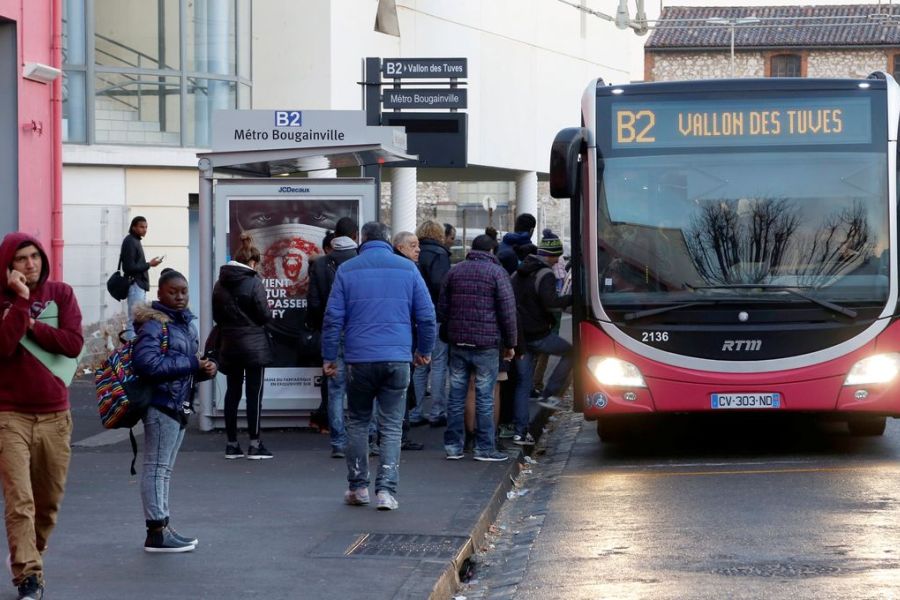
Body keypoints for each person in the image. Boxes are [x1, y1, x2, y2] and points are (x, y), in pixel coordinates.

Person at [321, 222, 435, 511]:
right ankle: (386, 490)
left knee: (358, 421)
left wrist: (329, 356)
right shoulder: (408, 269)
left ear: (363, 240)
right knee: (392, 425)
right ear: (388, 241)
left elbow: (333, 319)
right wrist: (424, 350)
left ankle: (358, 487)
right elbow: (426, 315)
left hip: (358, 359)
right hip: (397, 357)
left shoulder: (347, 270)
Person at [0, 233, 83, 600]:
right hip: (9, 415)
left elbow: (72, 343)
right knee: (20, 500)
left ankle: (30, 550)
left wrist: (33, 326)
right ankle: (28, 576)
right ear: (8, 265)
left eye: (34, 256)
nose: (30, 264)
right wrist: (20, 303)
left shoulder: (60, 294)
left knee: (48, 503)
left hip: (54, 414)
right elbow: (3, 347)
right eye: (21, 259)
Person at [133, 268, 217, 553]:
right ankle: (156, 531)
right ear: (160, 293)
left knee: (164, 469)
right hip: (161, 404)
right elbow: (147, 364)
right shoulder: (155, 325)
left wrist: (205, 369)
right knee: (156, 468)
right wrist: (194, 365)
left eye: (184, 291)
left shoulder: (184, 325)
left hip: (178, 403)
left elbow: (185, 367)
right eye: (173, 291)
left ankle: (163, 525)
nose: (180, 297)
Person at [437, 234, 517, 462]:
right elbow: (507, 312)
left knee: (456, 395)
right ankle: (484, 448)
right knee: (484, 396)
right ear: (492, 251)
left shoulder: (455, 271)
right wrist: (510, 344)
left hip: (458, 342)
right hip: (486, 344)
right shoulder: (497, 273)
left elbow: (442, 309)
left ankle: (453, 446)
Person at [212, 234, 274, 460]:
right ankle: (255, 444)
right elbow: (264, 315)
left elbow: (217, 316)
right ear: (253, 263)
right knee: (254, 393)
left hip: (229, 344)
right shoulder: (254, 281)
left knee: (233, 392)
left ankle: (231, 444)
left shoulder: (220, 283)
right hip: (254, 345)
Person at [512, 231, 574, 444]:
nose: (558, 260)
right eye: (557, 256)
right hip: (538, 333)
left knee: (523, 383)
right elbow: (551, 302)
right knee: (572, 352)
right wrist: (572, 298)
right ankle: (550, 393)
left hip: (519, 336)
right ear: (552, 255)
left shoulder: (518, 272)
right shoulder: (545, 274)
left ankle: (520, 431)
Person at [307, 217, 359, 458]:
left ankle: (337, 441)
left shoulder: (319, 265)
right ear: (355, 235)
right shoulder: (360, 261)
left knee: (335, 388)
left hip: (331, 330)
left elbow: (314, 304)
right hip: (359, 331)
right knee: (361, 388)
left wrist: (324, 326)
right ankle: (361, 438)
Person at [410, 220, 452, 427]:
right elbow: (440, 285)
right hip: (435, 316)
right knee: (438, 364)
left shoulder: (414, 253)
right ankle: (437, 411)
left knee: (419, 365)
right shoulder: (440, 255)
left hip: (414, 316)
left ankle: (415, 411)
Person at [392, 231, 425, 452]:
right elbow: (423, 311)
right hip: (403, 339)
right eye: (413, 246)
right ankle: (400, 434)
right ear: (400, 247)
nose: (418, 249)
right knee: (401, 388)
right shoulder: (409, 270)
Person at [120, 216, 163, 341]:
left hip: (139, 285)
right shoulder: (130, 241)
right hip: (135, 284)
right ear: (134, 227)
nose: (144, 230)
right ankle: (130, 349)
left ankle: (135, 346)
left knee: (138, 318)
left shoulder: (135, 241)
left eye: (146, 227)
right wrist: (149, 264)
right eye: (141, 227)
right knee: (133, 318)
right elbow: (129, 267)